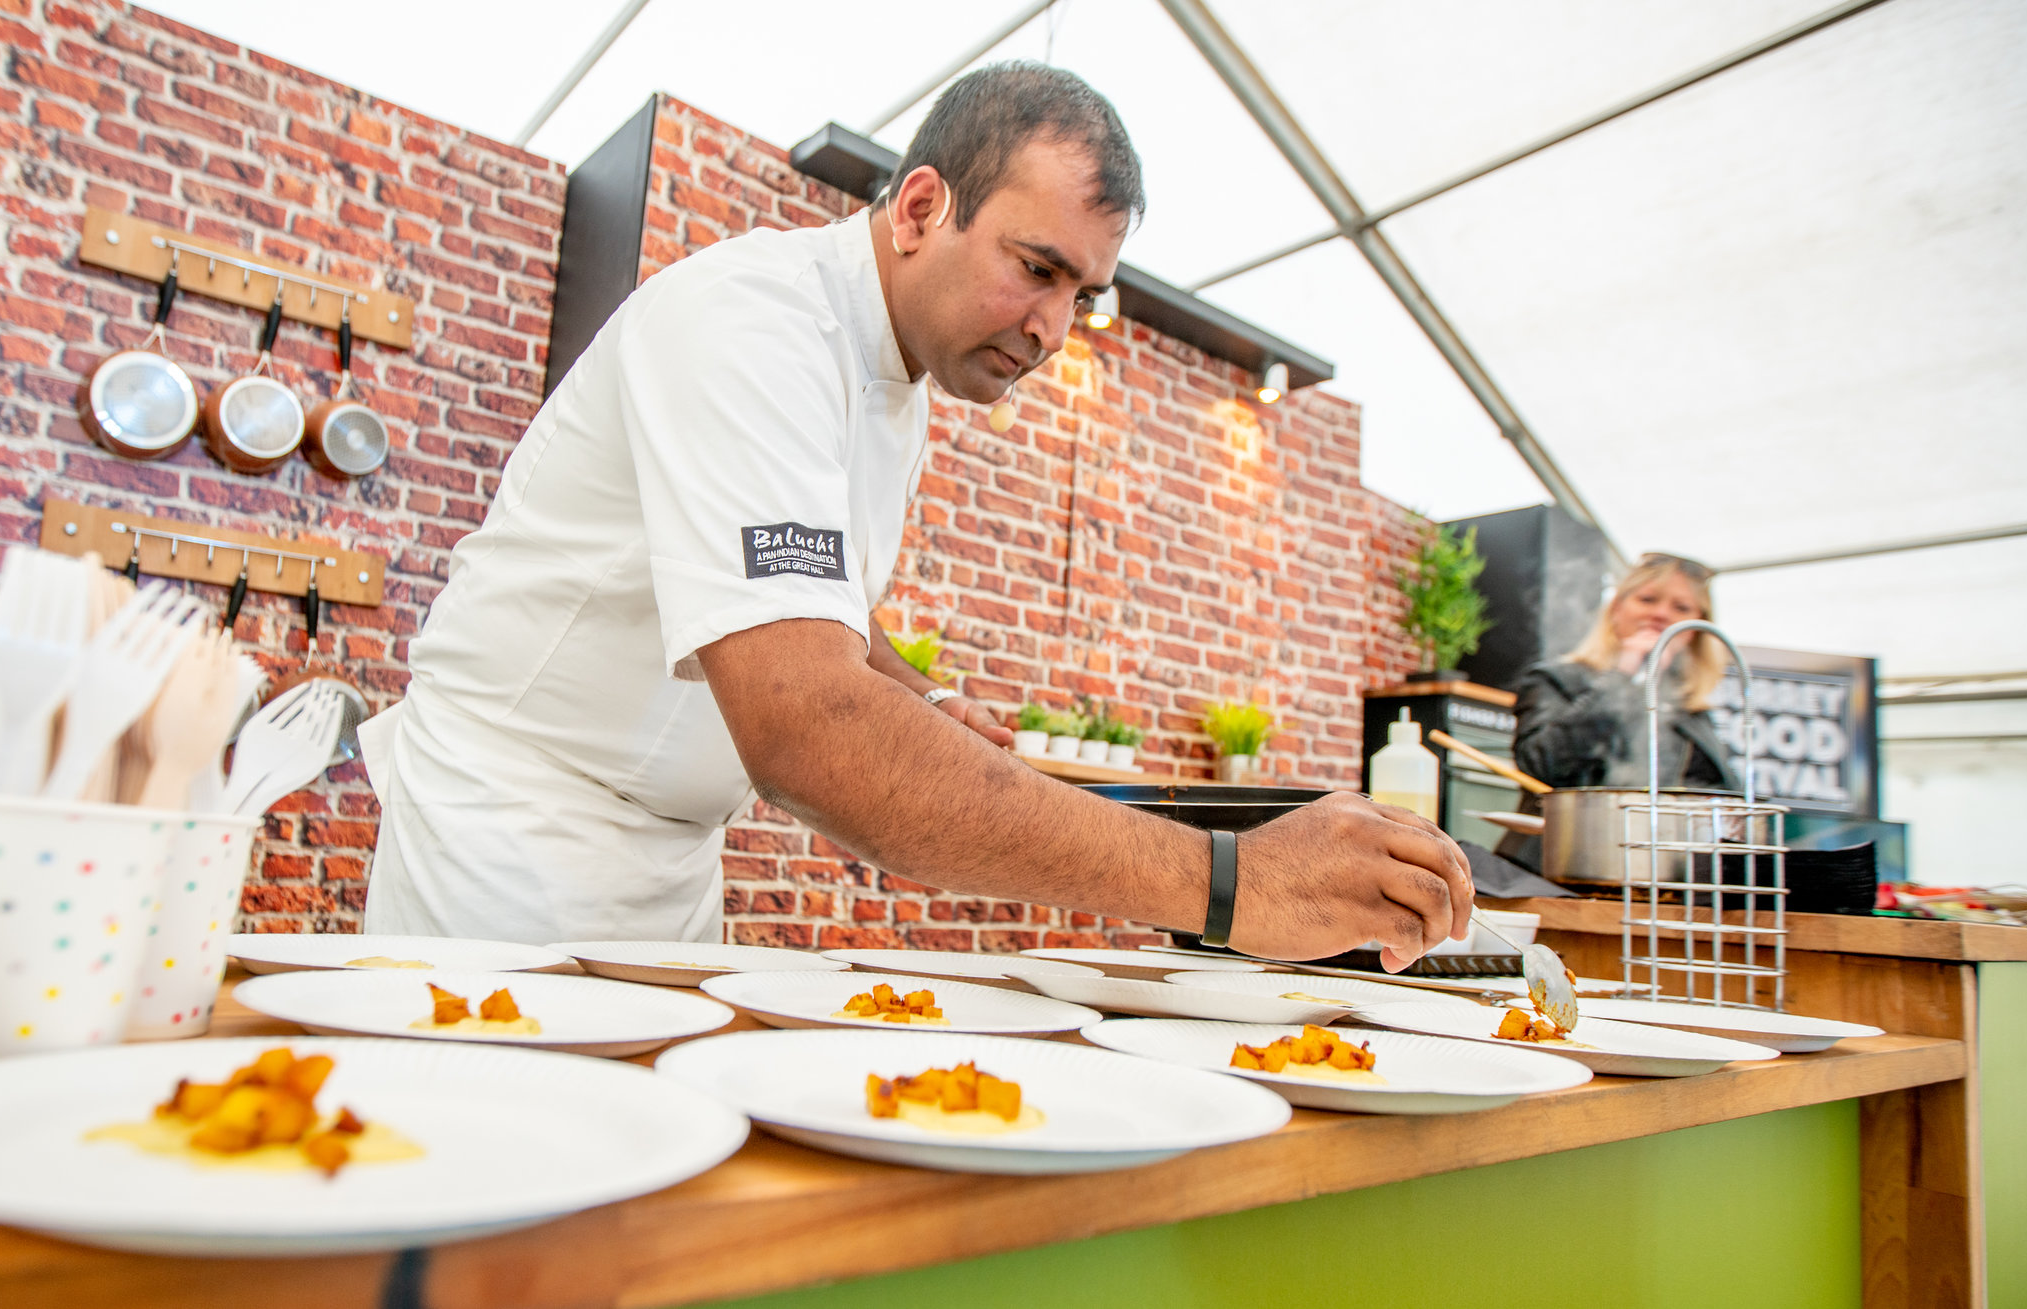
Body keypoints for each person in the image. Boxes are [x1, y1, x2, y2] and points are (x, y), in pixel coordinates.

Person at [359, 63, 1471, 967]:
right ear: (924, 207)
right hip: (508, 848)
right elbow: (805, 728)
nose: (1051, 329)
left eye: (1081, 296)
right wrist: (1229, 883)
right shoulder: (752, 325)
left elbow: (796, 597)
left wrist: (920, 693)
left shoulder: (898, 381)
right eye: (1036, 269)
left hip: (669, 867)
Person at [1513, 553, 1744, 791]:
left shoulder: (1689, 708)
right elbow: (1539, 765)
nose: (1661, 614)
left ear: (1696, 628)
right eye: (1647, 599)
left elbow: (1725, 795)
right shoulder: (1556, 680)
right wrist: (1621, 678)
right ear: (1616, 608)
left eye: (1681, 607)